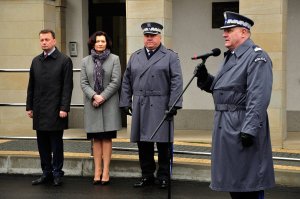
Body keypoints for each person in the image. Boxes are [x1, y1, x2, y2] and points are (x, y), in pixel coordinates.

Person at [196, 11, 275, 199]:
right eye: (224, 30)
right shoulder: (232, 56)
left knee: (249, 184)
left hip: (241, 126)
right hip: (226, 126)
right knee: (236, 184)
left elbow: (259, 96)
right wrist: (206, 80)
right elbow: (228, 90)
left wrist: (249, 129)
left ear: (244, 32)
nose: (224, 33)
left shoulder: (257, 57)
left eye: (229, 30)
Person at [119, 22, 183, 189]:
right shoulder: (135, 56)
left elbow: (177, 81)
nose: (149, 39)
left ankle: (163, 176)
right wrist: (126, 101)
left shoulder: (170, 56)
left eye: (153, 36)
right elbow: (126, 80)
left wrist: (174, 104)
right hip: (141, 103)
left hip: (161, 104)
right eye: (147, 36)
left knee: (163, 143)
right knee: (143, 143)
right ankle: (147, 175)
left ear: (159, 37)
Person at [26, 29, 73, 186]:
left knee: (56, 144)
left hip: (56, 109)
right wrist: (29, 106)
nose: (44, 42)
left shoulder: (64, 60)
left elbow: (67, 87)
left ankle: (57, 173)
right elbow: (31, 86)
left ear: (54, 41)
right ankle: (46, 173)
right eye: (41, 40)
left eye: (47, 39)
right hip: (39, 109)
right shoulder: (35, 61)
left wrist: (64, 108)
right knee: (42, 144)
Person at [80, 31, 122, 185]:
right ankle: (97, 171)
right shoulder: (85, 61)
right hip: (92, 105)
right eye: (97, 41)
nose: (100, 44)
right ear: (92, 43)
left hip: (109, 104)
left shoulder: (115, 59)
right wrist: (94, 96)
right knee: (96, 139)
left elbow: (116, 81)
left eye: (103, 41)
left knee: (107, 138)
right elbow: (83, 82)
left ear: (107, 43)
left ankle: (106, 171)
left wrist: (102, 96)